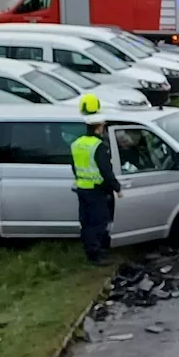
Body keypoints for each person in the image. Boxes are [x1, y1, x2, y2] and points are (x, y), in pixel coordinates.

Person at [71, 94, 120, 266]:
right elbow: (105, 170)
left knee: (86, 223)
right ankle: (97, 255)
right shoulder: (98, 147)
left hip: (82, 188)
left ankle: (90, 250)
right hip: (96, 190)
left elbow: (75, 167)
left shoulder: (76, 143)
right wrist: (117, 187)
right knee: (98, 223)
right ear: (98, 127)